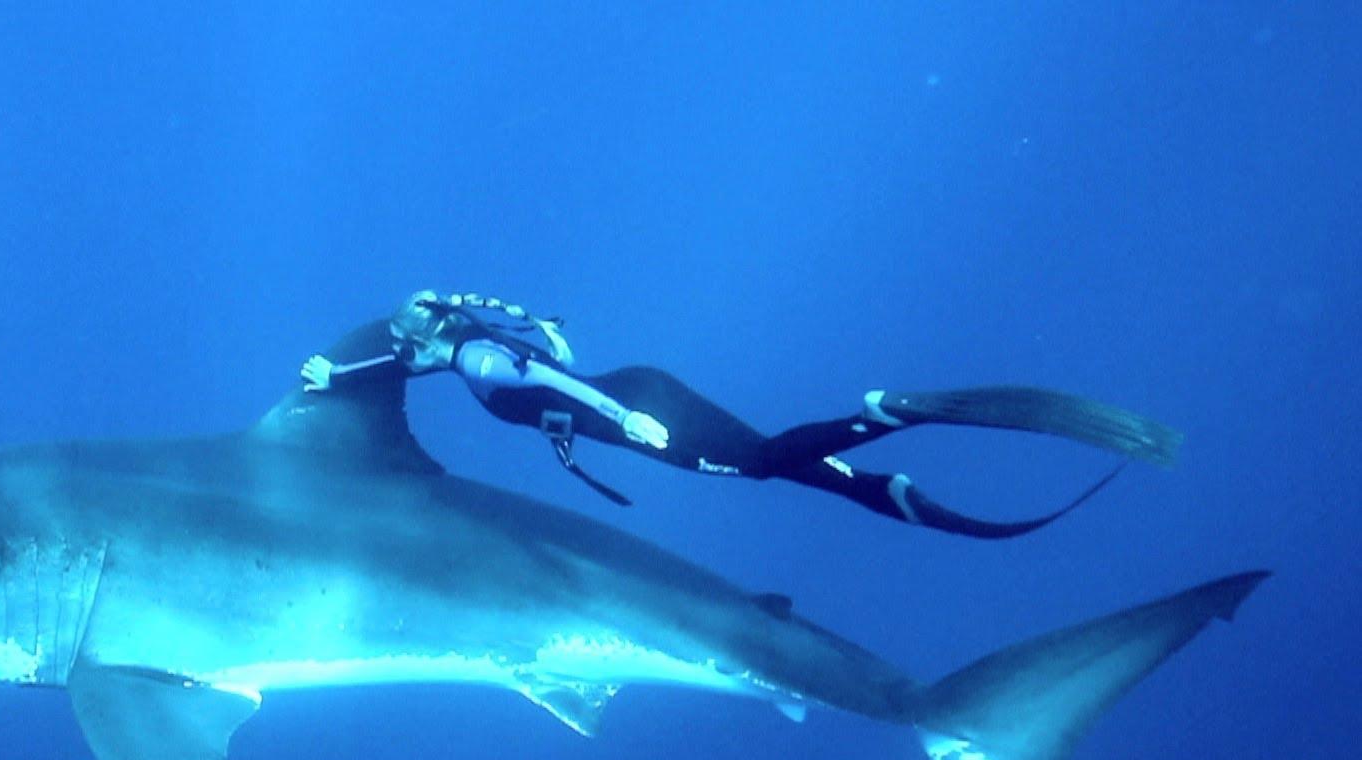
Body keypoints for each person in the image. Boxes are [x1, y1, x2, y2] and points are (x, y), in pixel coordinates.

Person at [300, 290, 1182, 538]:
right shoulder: (474, 336)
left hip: (629, 410)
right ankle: (883, 491)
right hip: (639, 384)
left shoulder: (479, 364)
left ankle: (888, 416)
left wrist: (628, 423)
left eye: (408, 349)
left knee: (758, 464)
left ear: (425, 343)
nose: (407, 359)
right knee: (773, 459)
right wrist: (332, 375)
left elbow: (557, 389)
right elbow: (553, 353)